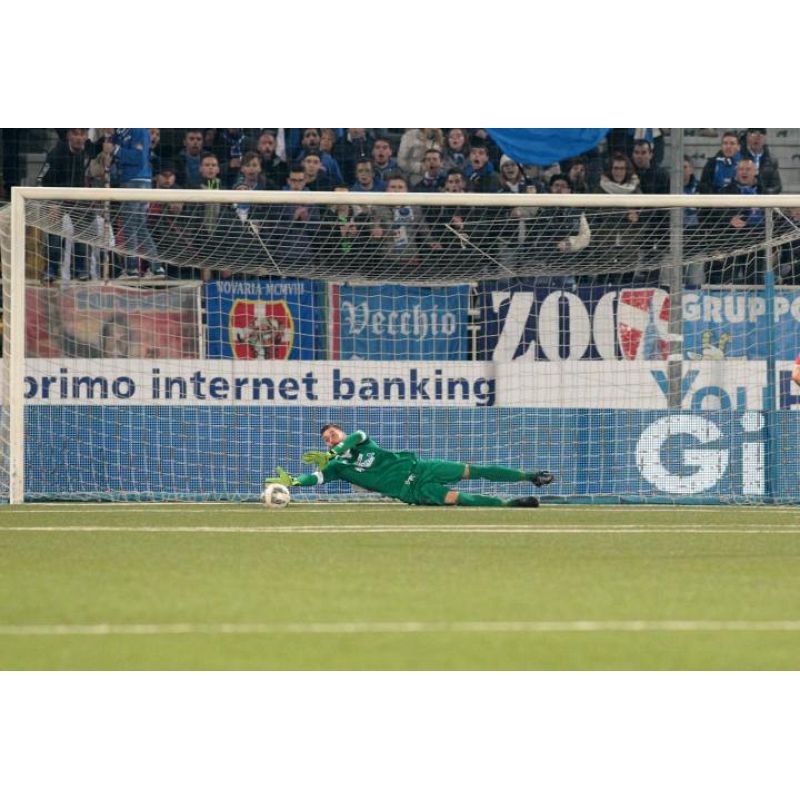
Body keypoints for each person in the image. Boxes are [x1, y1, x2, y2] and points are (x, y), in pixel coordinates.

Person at [264, 425, 554, 507]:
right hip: (411, 491)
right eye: (327, 439)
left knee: (472, 470)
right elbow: (316, 478)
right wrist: (295, 482)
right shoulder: (336, 467)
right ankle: (510, 504)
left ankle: (529, 476)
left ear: (341, 433)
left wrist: (336, 449)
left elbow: (357, 436)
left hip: (422, 467)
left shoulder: (359, 441)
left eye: (333, 434)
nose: (331, 439)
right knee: (458, 499)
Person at [110, 127, 165, 278]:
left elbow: (138, 158)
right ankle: (156, 268)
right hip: (134, 181)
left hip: (135, 180)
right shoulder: (121, 132)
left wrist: (115, 150)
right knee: (139, 226)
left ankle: (132, 269)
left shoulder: (138, 129)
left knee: (129, 225)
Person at [38, 128, 91, 283]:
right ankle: (52, 270)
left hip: (78, 199)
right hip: (57, 199)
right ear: (68, 135)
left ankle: (80, 270)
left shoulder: (88, 151)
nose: (79, 138)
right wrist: (53, 202)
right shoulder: (56, 153)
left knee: (81, 233)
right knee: (54, 235)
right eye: (75, 134)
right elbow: (44, 179)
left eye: (82, 134)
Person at [740, 128, 781, 195]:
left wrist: (763, 193)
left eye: (759, 137)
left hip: (764, 198)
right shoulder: (740, 157)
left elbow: (777, 187)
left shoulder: (771, 160)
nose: (756, 140)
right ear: (748, 137)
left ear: (765, 139)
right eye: (753, 136)